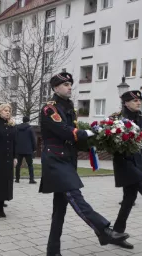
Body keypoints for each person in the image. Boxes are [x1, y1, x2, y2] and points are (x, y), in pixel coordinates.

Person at [39, 72, 130, 256]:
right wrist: (85, 133)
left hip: (67, 161)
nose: (70, 87)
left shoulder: (69, 107)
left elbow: (74, 139)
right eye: (65, 84)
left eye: (70, 84)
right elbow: (64, 131)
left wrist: (100, 136)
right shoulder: (50, 109)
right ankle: (103, 230)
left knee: (59, 210)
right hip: (56, 160)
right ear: (56, 88)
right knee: (76, 197)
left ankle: (52, 251)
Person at [109, 90, 142, 249]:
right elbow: (109, 142)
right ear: (126, 102)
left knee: (129, 199)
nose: (138, 103)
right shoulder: (117, 119)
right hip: (126, 164)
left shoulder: (141, 118)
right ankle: (116, 233)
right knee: (129, 198)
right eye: (135, 100)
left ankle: (116, 233)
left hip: (140, 163)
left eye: (139, 100)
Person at [15, 116, 37, 184]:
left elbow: (15, 138)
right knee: (30, 165)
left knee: (18, 164)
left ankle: (17, 179)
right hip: (28, 150)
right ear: (28, 121)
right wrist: (34, 149)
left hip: (18, 149)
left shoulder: (17, 128)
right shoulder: (30, 128)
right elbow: (33, 139)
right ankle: (31, 179)